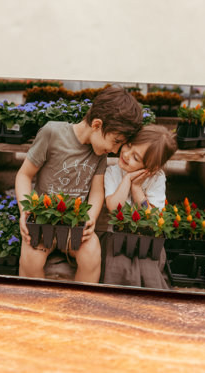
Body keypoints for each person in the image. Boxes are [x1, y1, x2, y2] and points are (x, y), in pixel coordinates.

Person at [16, 86, 143, 283]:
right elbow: (24, 174)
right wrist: (24, 210)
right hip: (43, 221)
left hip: (74, 224)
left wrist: (90, 219)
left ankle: (81, 304)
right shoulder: (53, 133)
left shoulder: (99, 151)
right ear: (97, 124)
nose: (115, 150)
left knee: (92, 254)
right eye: (116, 141)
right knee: (31, 259)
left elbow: (97, 192)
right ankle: (34, 306)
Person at [100, 124, 177, 288]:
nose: (126, 154)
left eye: (136, 157)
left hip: (146, 239)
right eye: (128, 145)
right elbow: (114, 208)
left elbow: (153, 218)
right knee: (117, 267)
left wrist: (136, 189)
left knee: (148, 270)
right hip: (116, 236)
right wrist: (127, 180)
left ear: (151, 168)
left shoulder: (157, 178)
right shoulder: (113, 172)